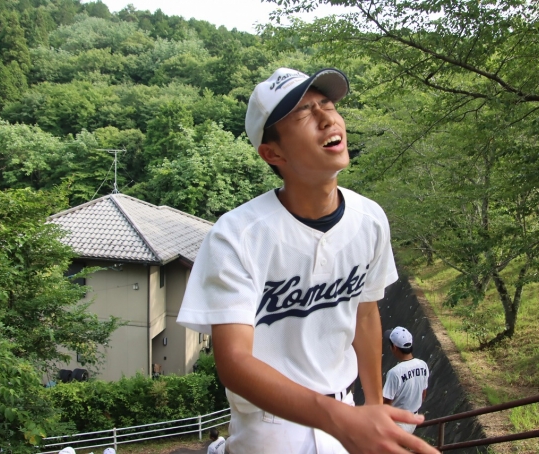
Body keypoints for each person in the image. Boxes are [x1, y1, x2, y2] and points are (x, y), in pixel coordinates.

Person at [177, 67, 439, 454]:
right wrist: (339, 418)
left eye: (327, 104)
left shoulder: (370, 220)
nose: (326, 118)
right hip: (269, 426)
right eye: (303, 113)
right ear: (273, 153)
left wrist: (373, 406)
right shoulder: (237, 235)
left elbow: (365, 313)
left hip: (346, 409)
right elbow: (234, 361)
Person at [383, 327, 430, 434]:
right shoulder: (423, 365)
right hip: (413, 419)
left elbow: (386, 404)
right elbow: (423, 394)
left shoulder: (395, 373)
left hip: (397, 423)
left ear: (394, 347)